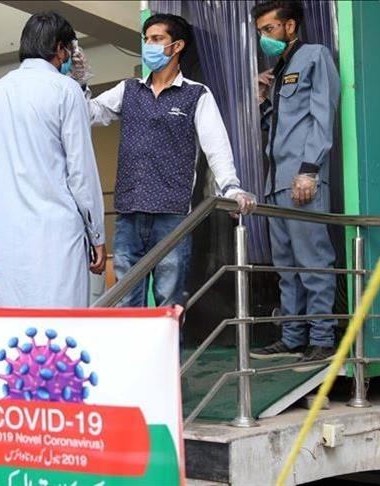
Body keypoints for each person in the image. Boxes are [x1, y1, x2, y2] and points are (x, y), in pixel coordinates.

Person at [79, 13, 256, 308]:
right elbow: (89, 114)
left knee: (168, 301)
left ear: (177, 46)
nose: (149, 45)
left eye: (157, 39)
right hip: (129, 211)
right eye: (146, 39)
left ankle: (169, 342)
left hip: (172, 214)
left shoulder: (196, 94)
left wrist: (231, 187)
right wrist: (79, 83)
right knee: (125, 300)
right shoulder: (128, 89)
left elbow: (216, 147)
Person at [0, 10, 106, 308]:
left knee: (12, 319)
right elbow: (81, 172)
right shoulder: (67, 91)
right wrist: (97, 234)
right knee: (59, 322)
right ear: (60, 49)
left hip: (8, 232)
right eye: (69, 49)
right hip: (57, 231)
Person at [247, 1, 340, 369]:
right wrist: (261, 99)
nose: (264, 37)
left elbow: (323, 115)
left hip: (303, 178)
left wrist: (309, 170)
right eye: (260, 31)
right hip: (276, 182)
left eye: (269, 29)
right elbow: (276, 127)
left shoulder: (315, 56)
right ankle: (292, 337)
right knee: (286, 267)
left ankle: (322, 340)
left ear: (290, 26)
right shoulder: (278, 71)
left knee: (313, 262)